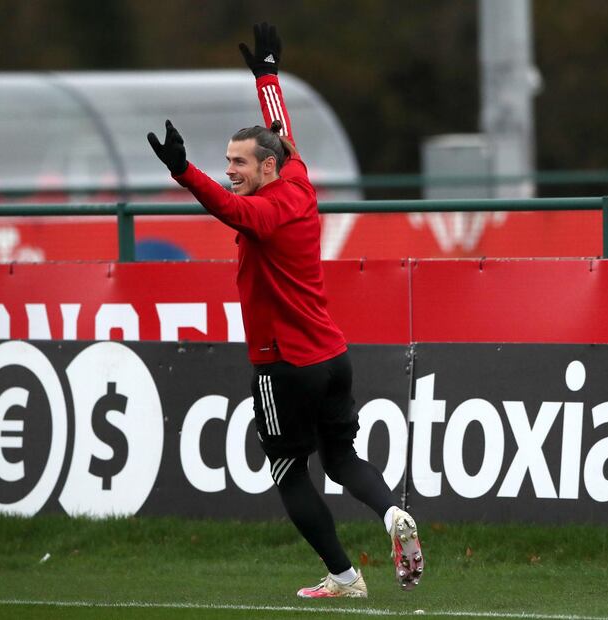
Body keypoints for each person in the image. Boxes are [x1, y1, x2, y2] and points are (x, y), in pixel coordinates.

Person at [147, 22, 423, 599]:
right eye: (226, 161)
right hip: (331, 354)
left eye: (239, 163)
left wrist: (184, 172)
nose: (231, 171)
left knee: (287, 471)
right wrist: (268, 75)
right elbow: (281, 133)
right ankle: (391, 515)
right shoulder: (298, 179)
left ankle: (346, 577)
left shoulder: (265, 213)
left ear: (267, 169)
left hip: (283, 365)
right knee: (343, 459)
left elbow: (226, 206)